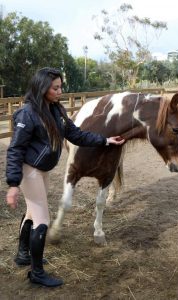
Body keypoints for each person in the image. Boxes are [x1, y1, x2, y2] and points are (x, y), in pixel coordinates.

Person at [6, 67, 125, 288]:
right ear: (43, 88)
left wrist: (106, 141)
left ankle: (23, 255)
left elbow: (76, 134)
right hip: (29, 170)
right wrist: (13, 184)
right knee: (43, 220)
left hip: (42, 170)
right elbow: (15, 149)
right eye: (56, 88)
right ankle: (37, 272)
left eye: (61, 87)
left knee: (33, 212)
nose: (60, 91)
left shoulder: (57, 110)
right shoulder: (27, 113)